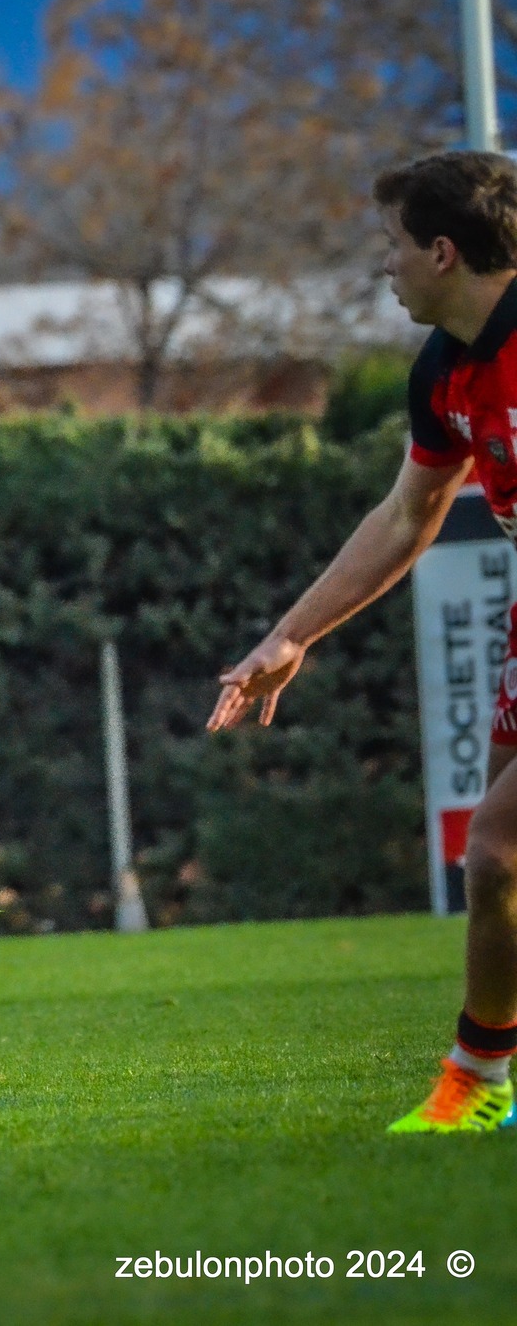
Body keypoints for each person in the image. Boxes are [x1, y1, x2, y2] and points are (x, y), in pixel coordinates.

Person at [212, 149, 517, 1134]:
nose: (381, 266)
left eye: (390, 245)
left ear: (440, 249)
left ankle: (474, 1085)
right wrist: (287, 637)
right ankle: (481, 1082)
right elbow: (404, 517)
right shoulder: (443, 372)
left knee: (498, 855)